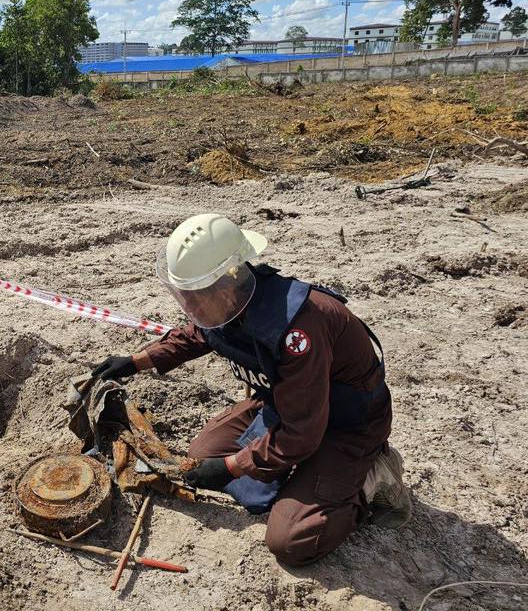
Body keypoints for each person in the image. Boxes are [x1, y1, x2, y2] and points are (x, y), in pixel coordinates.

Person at [91, 213, 411, 566]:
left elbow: (302, 433)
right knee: (202, 453)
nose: (191, 307)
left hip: (347, 425)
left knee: (290, 541)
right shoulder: (229, 301)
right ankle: (302, 479)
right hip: (288, 404)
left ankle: (367, 480)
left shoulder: (298, 329)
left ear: (226, 283)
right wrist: (137, 361)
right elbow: (200, 333)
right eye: (186, 297)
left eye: (196, 296)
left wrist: (232, 466)